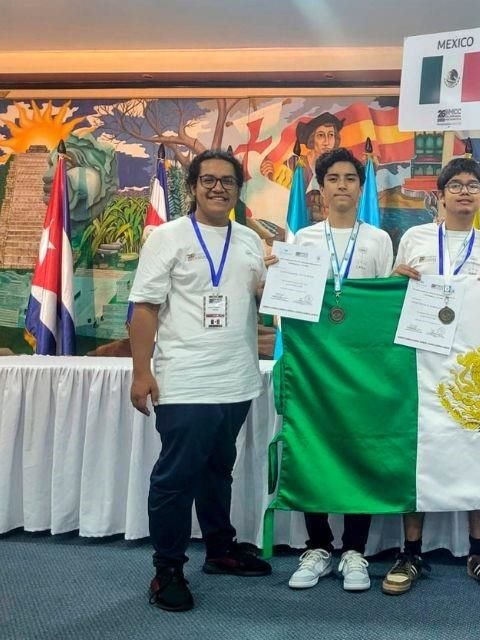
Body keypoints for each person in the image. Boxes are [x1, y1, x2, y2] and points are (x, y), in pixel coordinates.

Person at [129, 150, 271, 612]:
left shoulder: (250, 241)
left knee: (217, 469)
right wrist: (141, 371)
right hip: (185, 380)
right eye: (208, 180)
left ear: (237, 188)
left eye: (227, 181)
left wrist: (283, 277)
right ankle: (166, 569)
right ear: (193, 186)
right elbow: (145, 309)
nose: (218, 188)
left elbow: (262, 302)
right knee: (176, 477)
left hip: (236, 378)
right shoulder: (166, 237)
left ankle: (220, 549)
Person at [383, 157, 480, 595]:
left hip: (470, 364)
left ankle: (479, 551)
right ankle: (411, 552)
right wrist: (394, 279)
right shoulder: (415, 237)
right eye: (455, 185)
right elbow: (393, 295)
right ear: (439, 194)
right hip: (420, 359)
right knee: (418, 452)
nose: (464, 191)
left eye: (472, 185)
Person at [276, 148, 394, 592]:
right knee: (315, 449)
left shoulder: (378, 240)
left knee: (358, 450)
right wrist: (278, 275)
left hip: (361, 365)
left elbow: (383, 304)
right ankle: (319, 545)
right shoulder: (302, 239)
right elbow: (290, 306)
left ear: (360, 188)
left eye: (350, 178)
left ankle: (355, 551)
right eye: (334, 179)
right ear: (320, 188)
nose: (342, 185)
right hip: (314, 365)